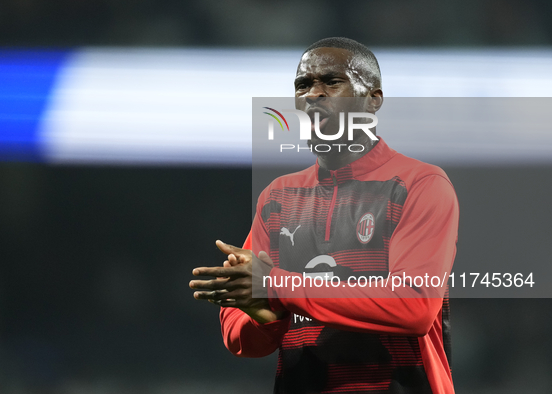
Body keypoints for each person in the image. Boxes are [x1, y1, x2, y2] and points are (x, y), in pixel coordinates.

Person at [190, 37, 459, 394]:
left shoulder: (419, 183)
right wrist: (262, 316)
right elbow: (242, 341)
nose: (314, 94)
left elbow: (413, 308)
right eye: (303, 85)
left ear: (373, 99)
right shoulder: (278, 197)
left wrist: (276, 285)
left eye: (332, 82)